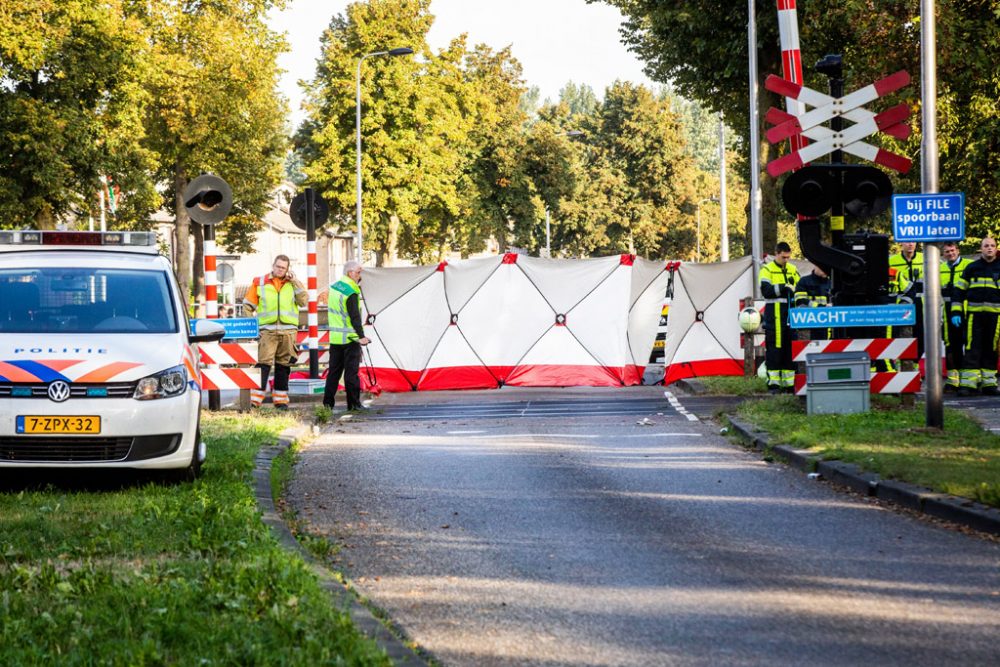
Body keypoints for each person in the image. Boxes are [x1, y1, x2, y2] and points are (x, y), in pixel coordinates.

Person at [242, 255, 307, 409]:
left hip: (288, 331)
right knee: (263, 364)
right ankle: (255, 400)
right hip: (267, 331)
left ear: (288, 268)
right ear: (273, 265)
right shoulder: (260, 282)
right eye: (278, 266)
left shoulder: (293, 283)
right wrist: (253, 328)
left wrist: (295, 281)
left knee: (283, 366)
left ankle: (281, 401)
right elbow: (247, 306)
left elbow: (303, 301)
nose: (280, 270)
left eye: (283, 267)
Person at [950, 237, 1000, 396]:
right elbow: (958, 292)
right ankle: (968, 385)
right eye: (986, 246)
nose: (990, 248)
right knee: (972, 348)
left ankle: (989, 384)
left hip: (996, 317)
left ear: (996, 248)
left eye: (992, 246)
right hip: (974, 316)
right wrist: (956, 312)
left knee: (991, 349)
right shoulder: (972, 268)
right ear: (981, 249)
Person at [323, 260, 370, 411]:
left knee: (333, 374)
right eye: (358, 272)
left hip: (336, 338)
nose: (359, 276)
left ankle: (327, 405)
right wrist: (361, 336)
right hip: (350, 338)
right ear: (350, 273)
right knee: (351, 374)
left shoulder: (335, 287)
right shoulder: (351, 291)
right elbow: (354, 317)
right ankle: (354, 404)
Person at [759, 242, 801, 393]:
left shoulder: (793, 269)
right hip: (774, 317)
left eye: (788, 257)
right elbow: (766, 291)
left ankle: (789, 384)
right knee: (774, 350)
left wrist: (792, 290)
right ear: (776, 253)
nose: (786, 260)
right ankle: (774, 385)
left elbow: (799, 288)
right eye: (784, 257)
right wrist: (784, 287)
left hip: (790, 316)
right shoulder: (766, 270)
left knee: (790, 349)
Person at [940, 242, 972, 392]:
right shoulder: (938, 269)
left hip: (968, 310)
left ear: (958, 251)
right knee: (951, 345)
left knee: (971, 345)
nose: (950, 254)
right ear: (943, 254)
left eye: (952, 250)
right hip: (948, 313)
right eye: (947, 251)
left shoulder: (970, 265)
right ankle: (953, 381)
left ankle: (969, 381)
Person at [889, 241, 925, 357]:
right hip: (899, 304)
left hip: (921, 302)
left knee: (920, 333)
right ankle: (899, 359)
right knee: (898, 333)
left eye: (913, 242)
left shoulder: (924, 258)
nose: (910, 244)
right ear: (901, 244)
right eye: (907, 242)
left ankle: (916, 361)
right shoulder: (892, 261)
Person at [794, 264, 832, 340]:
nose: (824, 270)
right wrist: (821, 307)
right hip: (808, 327)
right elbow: (800, 301)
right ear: (815, 265)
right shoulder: (804, 281)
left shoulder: (832, 283)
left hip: (828, 326)